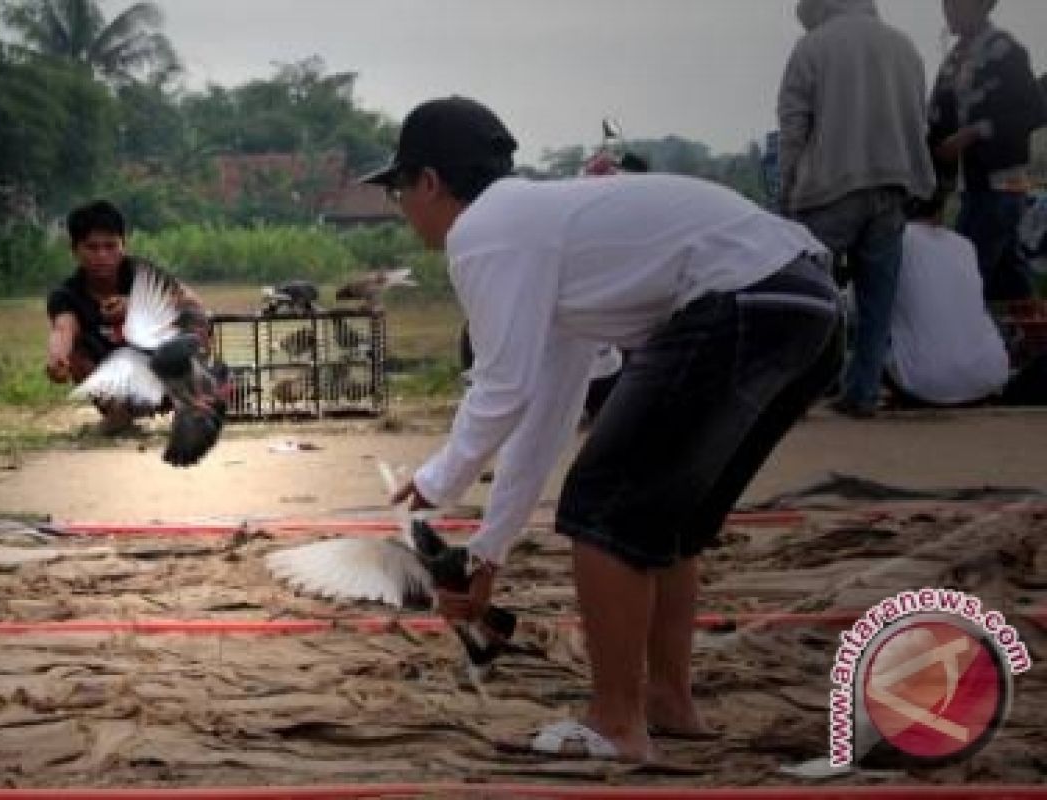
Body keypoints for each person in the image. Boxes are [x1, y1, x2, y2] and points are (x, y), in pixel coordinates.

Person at [374, 96, 842, 765]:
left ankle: (616, 723)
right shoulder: (548, 233)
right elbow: (548, 407)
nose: (402, 208)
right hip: (809, 304)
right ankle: (667, 702)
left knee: (602, 505)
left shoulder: (486, 230)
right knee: (663, 518)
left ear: (428, 182)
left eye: (398, 191)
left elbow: (501, 387)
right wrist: (488, 550)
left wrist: (436, 479)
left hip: (742, 298)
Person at [777, 0, 936, 418]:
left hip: (827, 188)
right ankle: (863, 391)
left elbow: (794, 127)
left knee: (812, 298)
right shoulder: (906, 48)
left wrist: (787, 191)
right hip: (892, 184)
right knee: (876, 301)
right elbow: (919, 122)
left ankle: (803, 392)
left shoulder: (812, 48)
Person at [46, 200, 207, 433]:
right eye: (92, 247)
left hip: (163, 375)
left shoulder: (144, 276)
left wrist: (138, 306)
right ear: (75, 250)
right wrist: (56, 359)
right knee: (74, 351)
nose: (102, 256)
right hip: (115, 386)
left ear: (124, 245)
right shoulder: (67, 295)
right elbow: (63, 330)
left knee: (193, 321)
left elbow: (194, 304)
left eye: (111, 246)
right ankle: (117, 416)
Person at [928, 0, 1047, 304]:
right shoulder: (953, 60)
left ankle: (960, 344)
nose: (948, 11)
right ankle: (1031, 340)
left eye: (955, 5)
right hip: (972, 187)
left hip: (1003, 186)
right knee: (1010, 278)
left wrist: (976, 132)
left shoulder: (1006, 51)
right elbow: (938, 121)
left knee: (964, 275)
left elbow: (1034, 110)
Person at [885, 196, 1009, 406]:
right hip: (988, 376)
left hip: (921, 384)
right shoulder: (965, 245)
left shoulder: (893, 242)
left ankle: (860, 394)